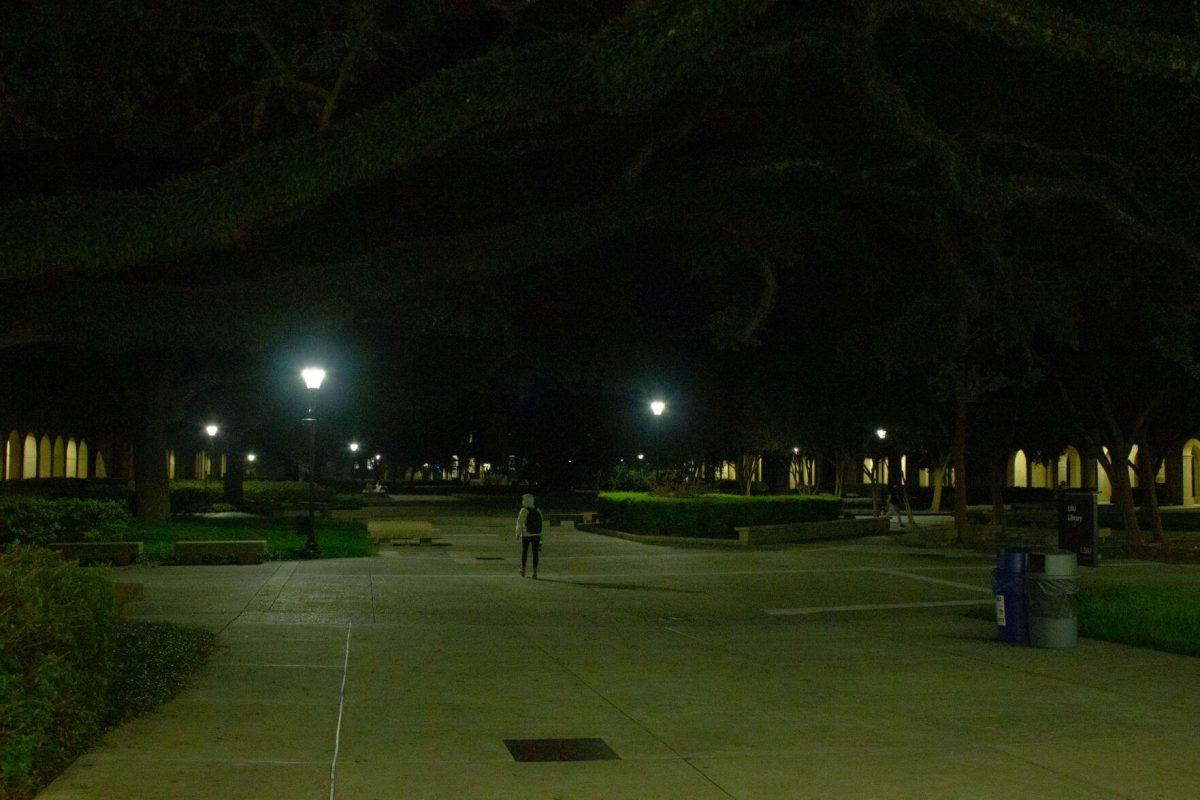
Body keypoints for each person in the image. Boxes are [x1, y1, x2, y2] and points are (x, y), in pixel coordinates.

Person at [515, 493, 544, 579]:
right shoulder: (538, 510)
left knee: (525, 552)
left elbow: (519, 522)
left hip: (526, 534)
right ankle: (535, 572)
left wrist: (517, 533)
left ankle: (523, 570)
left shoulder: (524, 510)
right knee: (535, 553)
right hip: (537, 534)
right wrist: (541, 538)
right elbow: (541, 523)